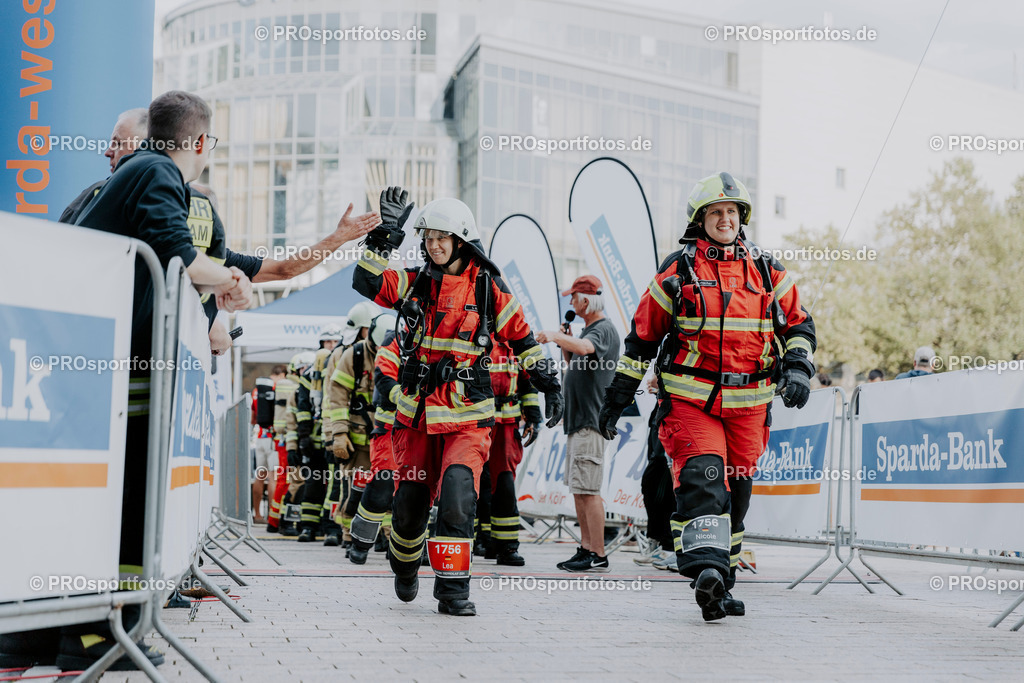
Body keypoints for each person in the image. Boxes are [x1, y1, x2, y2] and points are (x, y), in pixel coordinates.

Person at [0, 91, 252, 672]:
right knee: (126, 507)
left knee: (90, 507)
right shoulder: (159, 172)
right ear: (198, 144)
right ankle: (97, 636)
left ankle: (46, 638)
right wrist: (231, 279)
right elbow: (180, 257)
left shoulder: (136, 174)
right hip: (112, 378)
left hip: (86, 374)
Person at [598, 171, 817, 622]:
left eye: (732, 212)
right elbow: (641, 339)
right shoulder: (677, 271)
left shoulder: (766, 269)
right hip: (691, 402)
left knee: (736, 496)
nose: (725, 219)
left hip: (750, 408)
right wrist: (617, 397)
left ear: (742, 218)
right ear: (700, 220)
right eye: (715, 212)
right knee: (703, 479)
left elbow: (798, 324)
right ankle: (707, 571)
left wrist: (797, 366)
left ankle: (722, 583)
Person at [353, 188, 562, 616]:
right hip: (416, 416)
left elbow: (522, 338)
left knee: (458, 495)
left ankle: (452, 590)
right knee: (409, 508)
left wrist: (549, 384)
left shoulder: (488, 289)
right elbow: (365, 280)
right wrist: (386, 236)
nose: (433, 244)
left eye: (441, 237)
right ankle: (406, 566)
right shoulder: (413, 283)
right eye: (428, 237)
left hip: (469, 415)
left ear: (462, 239)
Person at [536, 275, 620, 573]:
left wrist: (557, 336)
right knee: (580, 489)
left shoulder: (603, 330)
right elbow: (576, 360)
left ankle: (596, 552)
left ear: (587, 300)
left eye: (574, 297)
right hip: (579, 421)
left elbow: (585, 349)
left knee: (588, 490)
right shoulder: (591, 331)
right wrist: (564, 341)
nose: (570, 302)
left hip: (590, 421)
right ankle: (587, 549)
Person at [474, 339, 542, 566]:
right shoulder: (476, 335)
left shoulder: (516, 343)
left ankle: (506, 547)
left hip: (506, 425)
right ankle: (473, 541)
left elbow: (527, 382)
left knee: (504, 483)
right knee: (472, 482)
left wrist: (533, 416)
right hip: (473, 422)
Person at [323, 301, 379, 546]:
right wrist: (334, 435)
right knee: (347, 485)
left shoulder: (385, 351)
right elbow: (333, 397)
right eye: (369, 328)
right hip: (351, 432)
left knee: (379, 485)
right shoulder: (345, 355)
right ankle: (344, 532)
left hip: (379, 434)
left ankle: (375, 535)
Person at [264, 364, 291, 532]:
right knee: (284, 479)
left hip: (276, 439)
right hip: (284, 440)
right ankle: (276, 521)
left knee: (280, 478)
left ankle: (274, 520)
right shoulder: (286, 387)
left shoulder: (272, 388)